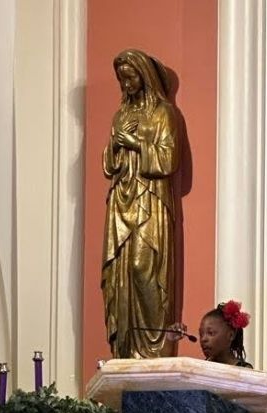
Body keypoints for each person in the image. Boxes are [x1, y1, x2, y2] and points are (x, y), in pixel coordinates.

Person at [102, 48, 179, 359]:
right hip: (122, 198)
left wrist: (135, 143)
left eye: (131, 77)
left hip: (150, 199)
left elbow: (168, 159)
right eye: (121, 79)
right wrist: (115, 146)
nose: (126, 84)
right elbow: (109, 164)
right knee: (120, 272)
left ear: (144, 76)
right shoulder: (120, 115)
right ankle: (126, 349)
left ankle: (151, 350)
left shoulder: (163, 113)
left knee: (142, 268)